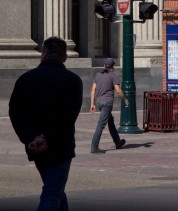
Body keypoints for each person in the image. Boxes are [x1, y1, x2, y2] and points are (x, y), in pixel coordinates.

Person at [9, 36, 83, 210]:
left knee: (55, 189)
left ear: (43, 54)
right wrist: (47, 138)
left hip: (36, 148)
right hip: (60, 146)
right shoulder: (72, 80)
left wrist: (30, 138)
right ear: (64, 56)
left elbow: (15, 113)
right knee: (52, 193)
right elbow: (69, 116)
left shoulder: (25, 79)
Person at [90, 58, 128, 153]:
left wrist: (92, 104)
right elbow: (118, 90)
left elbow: (93, 90)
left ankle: (118, 142)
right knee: (101, 124)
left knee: (110, 121)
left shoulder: (98, 75)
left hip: (99, 102)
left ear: (104, 66)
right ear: (113, 67)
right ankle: (94, 147)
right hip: (107, 103)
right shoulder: (113, 76)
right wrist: (125, 99)